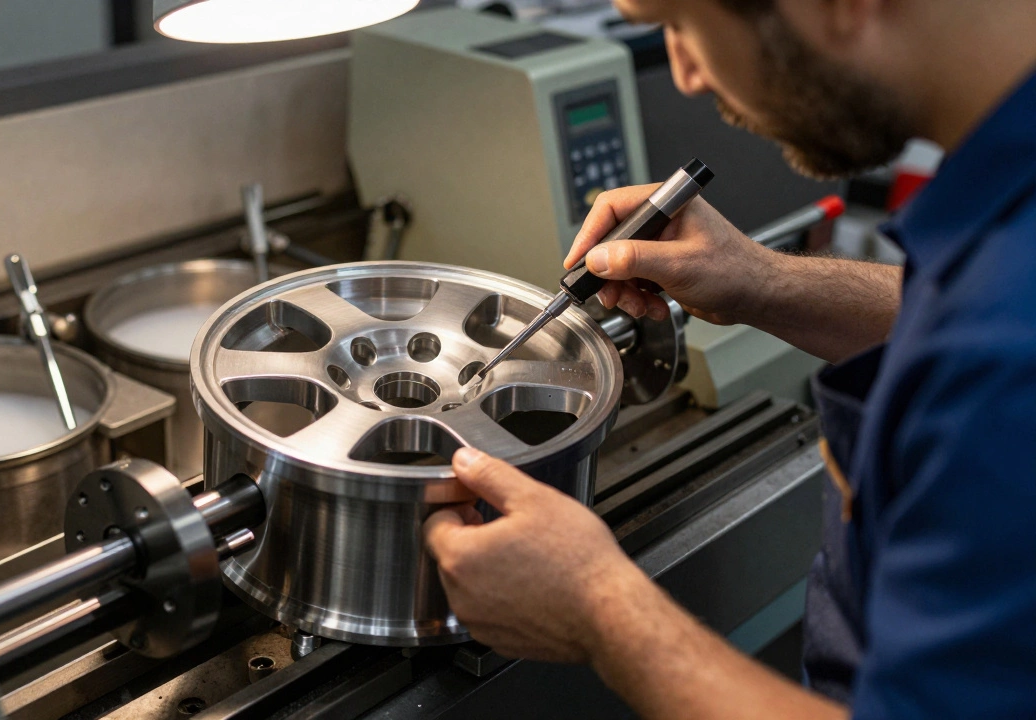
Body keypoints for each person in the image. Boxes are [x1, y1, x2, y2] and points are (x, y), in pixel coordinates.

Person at [423, 0, 1036, 716]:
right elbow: (959, 310)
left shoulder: (1004, 361)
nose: (683, 72)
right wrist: (762, 282)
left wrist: (600, 609)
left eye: (680, 21)